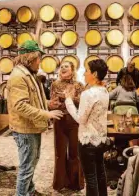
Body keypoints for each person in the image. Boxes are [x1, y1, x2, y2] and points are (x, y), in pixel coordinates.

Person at [7, 40, 63, 196]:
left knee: (32, 162)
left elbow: (33, 99)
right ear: (30, 58)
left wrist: (48, 104)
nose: (40, 62)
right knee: (26, 167)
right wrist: (47, 114)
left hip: (31, 126)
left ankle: (30, 191)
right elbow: (20, 106)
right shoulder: (19, 76)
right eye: (38, 58)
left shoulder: (28, 74)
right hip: (24, 129)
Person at [65, 59, 109, 196]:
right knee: (101, 174)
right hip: (101, 139)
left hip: (87, 140)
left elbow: (80, 119)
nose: (84, 74)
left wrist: (68, 100)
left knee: (90, 178)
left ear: (94, 74)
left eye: (87, 71)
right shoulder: (105, 91)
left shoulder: (88, 94)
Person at [49, 61, 84, 191]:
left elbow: (81, 102)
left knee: (75, 153)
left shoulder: (78, 85)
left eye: (66, 66)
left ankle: (75, 184)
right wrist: (54, 104)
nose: (63, 68)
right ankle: (60, 183)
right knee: (60, 153)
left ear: (72, 70)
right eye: (61, 66)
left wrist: (68, 98)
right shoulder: (55, 84)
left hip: (74, 121)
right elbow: (53, 102)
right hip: (59, 119)